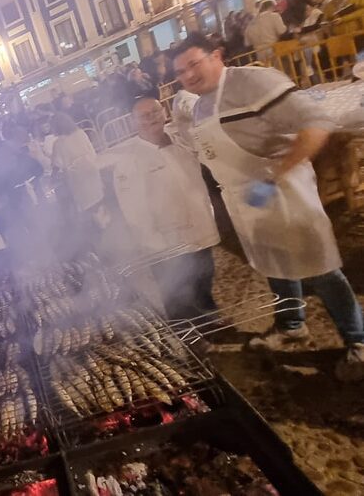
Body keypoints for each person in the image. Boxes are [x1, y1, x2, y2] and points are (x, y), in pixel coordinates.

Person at [172, 32, 364, 379]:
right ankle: (291, 327)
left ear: (217, 55)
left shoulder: (254, 82)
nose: (188, 75)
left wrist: (276, 176)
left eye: (193, 64)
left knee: (321, 268)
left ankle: (359, 341)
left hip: (284, 193)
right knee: (273, 262)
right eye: (180, 72)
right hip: (245, 201)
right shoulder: (200, 106)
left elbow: (317, 123)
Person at [116, 96, 220, 320]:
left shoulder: (182, 142)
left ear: (164, 112)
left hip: (200, 230)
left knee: (204, 279)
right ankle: (190, 334)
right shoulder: (129, 162)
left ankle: (212, 320)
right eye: (143, 116)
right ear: (133, 122)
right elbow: (134, 211)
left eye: (155, 111)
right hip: (168, 242)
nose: (151, 118)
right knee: (178, 295)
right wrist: (153, 245)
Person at [50, 112, 104, 222]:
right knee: (96, 196)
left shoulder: (58, 143)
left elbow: (56, 164)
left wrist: (53, 177)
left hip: (76, 177)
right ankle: (102, 217)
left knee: (86, 201)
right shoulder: (81, 133)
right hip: (90, 169)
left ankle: (96, 222)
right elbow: (91, 151)